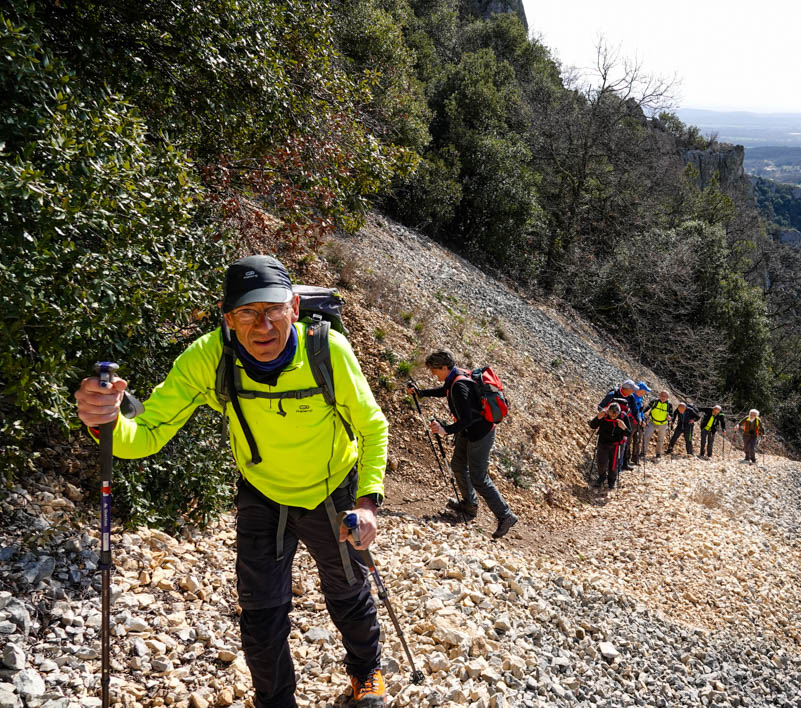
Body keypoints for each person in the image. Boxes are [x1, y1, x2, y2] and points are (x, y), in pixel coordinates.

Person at [74, 255, 390, 706]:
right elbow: (144, 435)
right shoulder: (209, 358)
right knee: (261, 614)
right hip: (261, 494)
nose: (262, 325)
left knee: (347, 592)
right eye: (246, 312)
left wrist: (367, 503)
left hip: (331, 490)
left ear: (294, 308)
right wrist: (104, 421)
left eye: (273, 309)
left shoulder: (326, 351)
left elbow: (372, 425)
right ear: (228, 319)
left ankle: (366, 674)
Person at [407, 351, 518, 540]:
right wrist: (422, 393)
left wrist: (445, 430)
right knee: (458, 465)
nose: (434, 375)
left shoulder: (459, 385)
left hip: (480, 434)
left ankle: (505, 515)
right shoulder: (457, 376)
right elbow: (445, 391)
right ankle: (469, 505)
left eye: (435, 371)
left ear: (444, 367)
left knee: (479, 478)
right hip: (469, 432)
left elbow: (466, 418)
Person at [598, 380, 639, 470]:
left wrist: (639, 420)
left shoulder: (631, 397)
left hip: (624, 422)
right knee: (614, 444)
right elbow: (600, 406)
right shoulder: (612, 395)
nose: (633, 391)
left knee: (624, 442)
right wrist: (606, 413)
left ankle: (622, 464)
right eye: (632, 389)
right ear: (626, 389)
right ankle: (612, 468)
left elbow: (635, 410)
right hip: (609, 423)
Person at [588, 402, 630, 490]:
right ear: (608, 411)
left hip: (616, 444)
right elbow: (592, 425)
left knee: (614, 464)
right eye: (611, 413)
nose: (613, 416)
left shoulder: (623, 417)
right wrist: (597, 418)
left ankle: (612, 481)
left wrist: (624, 427)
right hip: (603, 442)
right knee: (601, 462)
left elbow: (628, 433)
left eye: (616, 414)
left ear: (619, 412)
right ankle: (602, 477)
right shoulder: (603, 415)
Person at [643, 392, 673, 459]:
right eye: (662, 395)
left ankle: (658, 453)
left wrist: (670, 417)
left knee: (661, 439)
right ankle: (643, 452)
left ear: (667, 397)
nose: (663, 397)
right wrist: (642, 413)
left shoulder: (669, 405)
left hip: (663, 424)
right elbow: (648, 407)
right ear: (659, 395)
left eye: (665, 396)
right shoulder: (654, 401)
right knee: (646, 436)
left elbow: (671, 414)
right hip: (652, 422)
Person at [630, 382, 651, 463]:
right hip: (632, 422)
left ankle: (635, 459)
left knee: (638, 441)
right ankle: (626, 460)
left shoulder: (640, 398)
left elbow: (641, 411)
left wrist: (643, 419)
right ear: (639, 390)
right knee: (628, 441)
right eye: (644, 391)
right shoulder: (631, 397)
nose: (645, 393)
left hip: (639, 422)